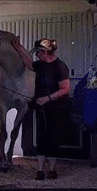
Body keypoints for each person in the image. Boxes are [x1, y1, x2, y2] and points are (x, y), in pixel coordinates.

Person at [29, 38, 71, 180]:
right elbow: (26, 62)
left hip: (57, 107)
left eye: (38, 52)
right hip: (41, 108)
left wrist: (47, 98)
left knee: (54, 138)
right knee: (41, 138)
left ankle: (51, 169)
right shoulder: (38, 65)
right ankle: (40, 170)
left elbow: (65, 89)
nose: (36, 56)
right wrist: (17, 48)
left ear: (45, 51)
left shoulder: (60, 66)